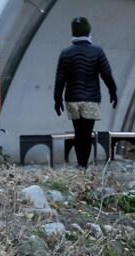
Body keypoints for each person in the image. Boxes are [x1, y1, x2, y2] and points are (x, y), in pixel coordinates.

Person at [54, 17, 118, 169]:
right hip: (91, 98)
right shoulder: (97, 51)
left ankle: (80, 165)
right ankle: (83, 164)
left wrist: (57, 99)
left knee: (78, 132)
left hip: (72, 98)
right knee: (87, 132)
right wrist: (113, 91)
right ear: (89, 31)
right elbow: (107, 74)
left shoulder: (66, 53)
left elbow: (60, 79)